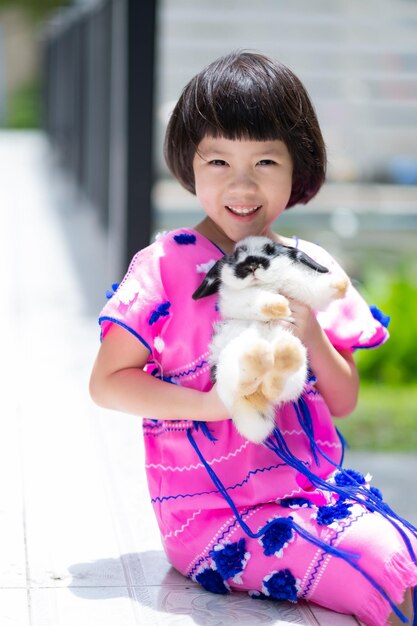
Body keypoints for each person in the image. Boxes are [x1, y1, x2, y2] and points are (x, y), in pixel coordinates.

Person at [89, 51, 417, 625]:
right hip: (212, 518)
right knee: (378, 564)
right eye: (218, 160)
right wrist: (208, 405)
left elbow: (344, 400)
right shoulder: (164, 265)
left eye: (265, 160)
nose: (241, 184)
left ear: (299, 168)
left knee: (407, 554)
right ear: (190, 165)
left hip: (314, 495)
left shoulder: (309, 267)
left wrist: (310, 330)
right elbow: (108, 383)